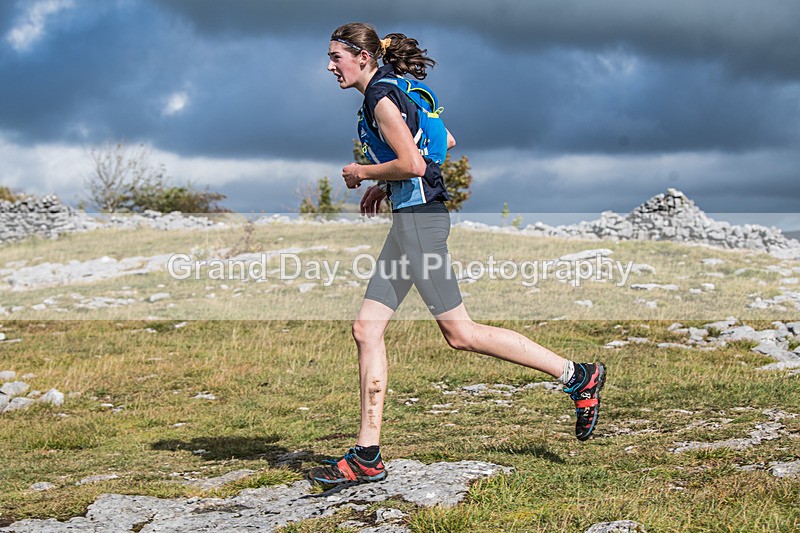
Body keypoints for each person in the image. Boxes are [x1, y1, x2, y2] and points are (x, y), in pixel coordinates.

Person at [307, 22, 606, 486]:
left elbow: (415, 162)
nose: (330, 66)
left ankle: (577, 375)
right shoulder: (400, 88)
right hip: (413, 222)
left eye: (336, 57)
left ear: (362, 57)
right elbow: (444, 141)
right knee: (366, 328)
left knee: (461, 333)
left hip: (421, 226)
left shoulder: (379, 97)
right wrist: (390, 187)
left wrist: (364, 173)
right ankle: (367, 454)